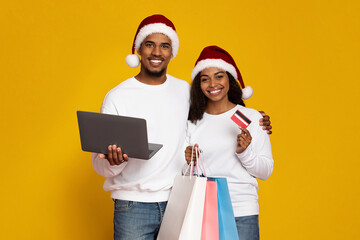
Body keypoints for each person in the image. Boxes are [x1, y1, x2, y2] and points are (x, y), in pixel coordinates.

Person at [91, 15, 272, 240]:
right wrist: (113, 162)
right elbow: (99, 165)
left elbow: (218, 111)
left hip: (180, 202)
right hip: (132, 205)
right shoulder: (117, 97)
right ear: (138, 50)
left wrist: (256, 119)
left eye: (164, 46)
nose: (157, 52)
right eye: (150, 44)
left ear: (172, 52)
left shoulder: (185, 91)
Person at [185, 45, 274, 240]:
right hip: (201, 211)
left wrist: (245, 152)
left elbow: (265, 171)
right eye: (204, 79)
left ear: (229, 79)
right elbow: (186, 171)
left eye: (219, 76)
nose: (212, 84)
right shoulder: (193, 122)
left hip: (240, 211)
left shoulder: (250, 118)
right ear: (198, 85)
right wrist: (188, 160)